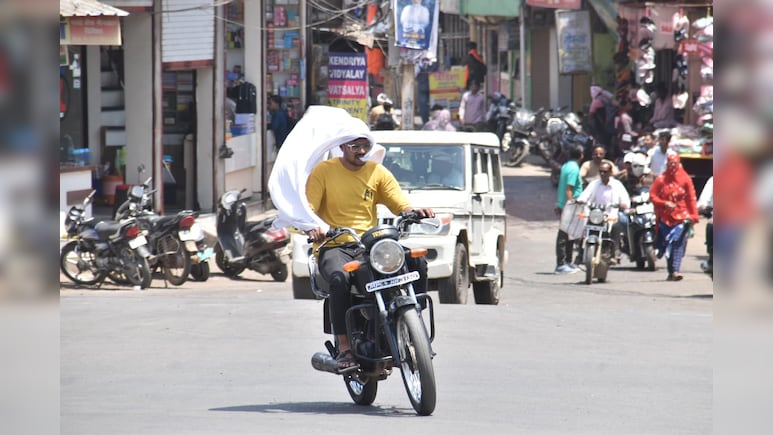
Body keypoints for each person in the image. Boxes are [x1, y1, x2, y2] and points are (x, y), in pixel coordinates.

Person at [305, 135, 434, 372]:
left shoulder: (377, 172)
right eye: (356, 146)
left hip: (369, 244)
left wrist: (413, 211)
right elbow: (308, 209)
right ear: (342, 147)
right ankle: (345, 348)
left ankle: (414, 325)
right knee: (339, 278)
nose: (362, 151)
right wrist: (313, 227)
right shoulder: (324, 171)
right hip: (335, 245)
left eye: (366, 146)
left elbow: (399, 203)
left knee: (417, 262)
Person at [649, 154, 699, 281]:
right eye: (670, 163)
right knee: (668, 243)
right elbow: (653, 196)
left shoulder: (685, 179)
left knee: (677, 242)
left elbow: (691, 198)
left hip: (682, 216)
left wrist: (694, 215)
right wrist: (664, 203)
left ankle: (675, 271)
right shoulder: (661, 179)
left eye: (674, 164)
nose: (672, 166)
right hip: (665, 218)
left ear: (679, 164)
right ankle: (671, 271)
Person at [577, 161, 632, 263]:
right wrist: (580, 201)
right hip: (595, 214)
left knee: (616, 225)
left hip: (611, 214)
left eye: (605, 172)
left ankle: (615, 251)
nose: (603, 174)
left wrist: (623, 205)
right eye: (601, 171)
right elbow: (585, 195)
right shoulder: (594, 184)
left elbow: (625, 199)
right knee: (582, 225)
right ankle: (580, 253)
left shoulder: (617, 185)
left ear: (610, 172)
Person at [554, 145, 584, 274]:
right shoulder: (574, 168)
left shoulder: (566, 165)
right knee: (564, 235)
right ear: (581, 155)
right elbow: (568, 188)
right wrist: (571, 204)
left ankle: (568, 262)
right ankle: (560, 264)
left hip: (565, 204)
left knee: (570, 235)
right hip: (569, 205)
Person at [696, 175, 713, 274]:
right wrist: (702, 205)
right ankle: (712, 258)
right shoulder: (713, 180)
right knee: (711, 224)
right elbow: (704, 198)